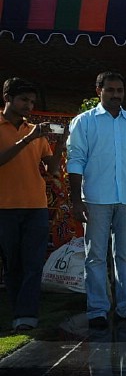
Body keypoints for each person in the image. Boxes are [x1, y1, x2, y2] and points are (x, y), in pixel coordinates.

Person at [67, 72, 126, 329]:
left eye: (120, 90)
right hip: (95, 199)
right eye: (111, 90)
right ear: (99, 91)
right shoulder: (83, 122)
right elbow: (75, 161)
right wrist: (75, 199)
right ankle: (98, 311)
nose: (116, 95)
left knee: (125, 255)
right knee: (95, 255)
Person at [0, 78, 65, 332]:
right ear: (7, 98)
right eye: (24, 100)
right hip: (4, 207)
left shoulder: (35, 130)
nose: (29, 105)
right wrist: (27, 139)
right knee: (13, 263)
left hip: (35, 206)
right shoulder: (27, 133)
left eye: (32, 101)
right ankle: (18, 311)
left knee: (33, 262)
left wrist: (59, 143)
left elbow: (50, 168)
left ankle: (26, 315)